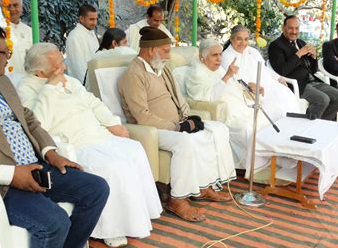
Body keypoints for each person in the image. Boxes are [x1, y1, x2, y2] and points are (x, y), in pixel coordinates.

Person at [0, 20, 109, 248]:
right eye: (6, 53)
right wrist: (11, 174)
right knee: (54, 223)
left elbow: (27, 117)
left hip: (35, 167)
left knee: (96, 189)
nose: (8, 59)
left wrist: (50, 152)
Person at [17, 43, 163, 248]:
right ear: (40, 71)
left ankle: (136, 215)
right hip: (74, 143)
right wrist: (50, 87)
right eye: (59, 64)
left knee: (135, 149)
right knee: (115, 166)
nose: (64, 68)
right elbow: (38, 123)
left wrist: (113, 124)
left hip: (96, 133)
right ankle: (111, 228)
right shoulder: (26, 88)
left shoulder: (70, 81)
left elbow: (93, 103)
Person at [118, 27, 236, 222]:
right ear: (150, 51)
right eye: (165, 50)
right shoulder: (134, 74)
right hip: (152, 131)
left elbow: (178, 97)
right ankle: (176, 200)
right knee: (185, 143)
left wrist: (188, 118)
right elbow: (142, 116)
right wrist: (177, 127)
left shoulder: (161, 68)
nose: (169, 55)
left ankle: (203, 187)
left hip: (176, 124)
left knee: (218, 129)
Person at [188, 39, 297, 176]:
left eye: (220, 54)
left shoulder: (218, 70)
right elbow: (207, 98)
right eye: (214, 55)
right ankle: (259, 165)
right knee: (249, 128)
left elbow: (235, 86)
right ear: (202, 58)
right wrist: (227, 75)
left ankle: (275, 158)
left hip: (241, 106)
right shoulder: (197, 74)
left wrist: (250, 88)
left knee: (271, 117)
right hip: (228, 113)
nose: (219, 59)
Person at [269, 15, 338, 120]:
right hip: (296, 83)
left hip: (311, 80)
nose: (294, 31)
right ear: (283, 28)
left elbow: (313, 70)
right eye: (290, 28)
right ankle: (309, 126)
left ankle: (321, 124)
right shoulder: (276, 46)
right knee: (322, 99)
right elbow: (282, 71)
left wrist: (314, 57)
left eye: (296, 28)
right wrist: (299, 53)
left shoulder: (301, 43)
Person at [221, 25, 302, 122]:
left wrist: (278, 78)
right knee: (276, 107)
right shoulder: (226, 56)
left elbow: (265, 68)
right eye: (239, 39)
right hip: (251, 90)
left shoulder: (252, 51)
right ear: (231, 39)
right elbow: (232, 81)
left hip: (268, 83)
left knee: (286, 97)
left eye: (246, 39)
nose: (243, 43)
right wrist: (249, 87)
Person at [65, 4, 99, 84]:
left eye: (96, 19)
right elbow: (78, 66)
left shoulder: (90, 33)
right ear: (81, 19)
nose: (94, 23)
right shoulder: (75, 36)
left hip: (92, 81)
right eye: (91, 19)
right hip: (82, 84)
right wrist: (86, 86)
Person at [6, 0, 33, 75]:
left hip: (28, 81)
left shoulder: (29, 31)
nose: (12, 9)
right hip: (6, 82)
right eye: (8, 6)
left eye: (15, 5)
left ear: (21, 7)